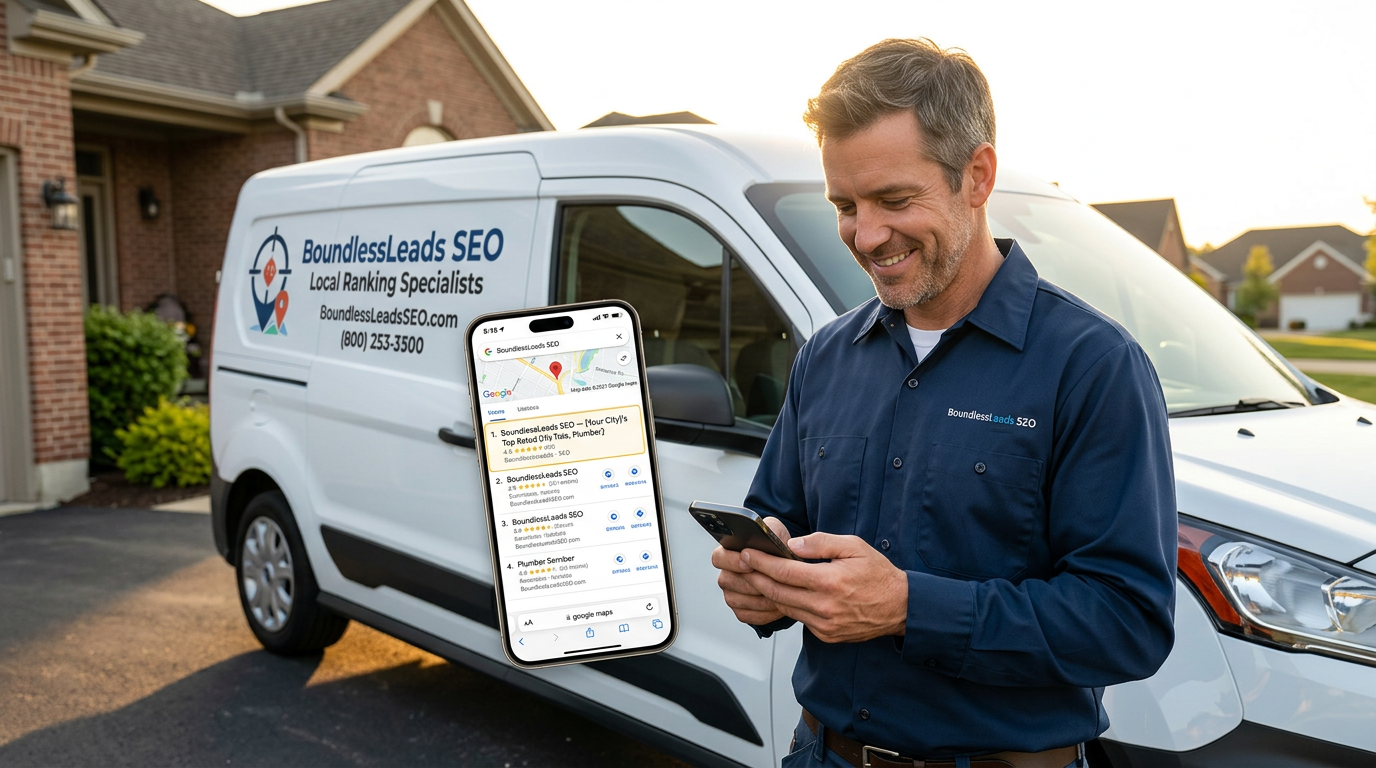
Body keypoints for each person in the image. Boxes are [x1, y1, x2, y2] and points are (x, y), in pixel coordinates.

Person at [711, 38, 1176, 768]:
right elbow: (781, 516)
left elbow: (1127, 622)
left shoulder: (1093, 367)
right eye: (845, 205)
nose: (865, 235)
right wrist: (765, 581)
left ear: (977, 176)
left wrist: (906, 606)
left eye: (895, 200)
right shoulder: (826, 357)